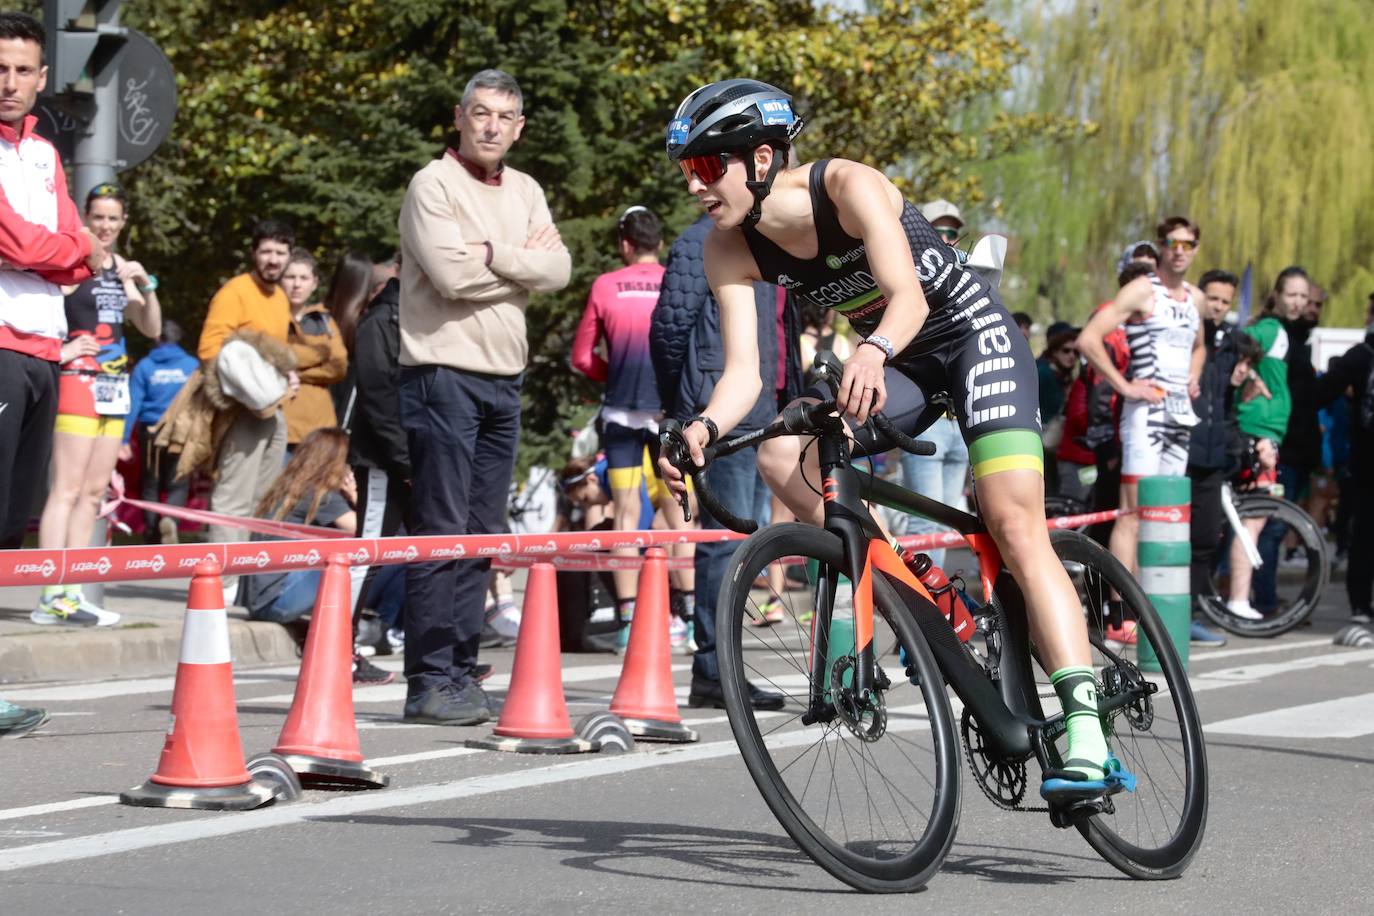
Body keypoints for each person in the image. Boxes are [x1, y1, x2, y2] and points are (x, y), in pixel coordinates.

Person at [661, 78, 1129, 799]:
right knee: (783, 452)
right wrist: (702, 426)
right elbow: (745, 376)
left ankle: (1089, 735)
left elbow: (907, 297)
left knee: (1012, 521)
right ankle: (922, 593)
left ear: (759, 158)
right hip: (896, 361)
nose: (695, 187)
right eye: (687, 171)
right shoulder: (730, 247)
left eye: (703, 167)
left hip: (972, 342)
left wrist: (872, 350)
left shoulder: (849, 185)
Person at [396, 68, 570, 725]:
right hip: (442, 372)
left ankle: (462, 670)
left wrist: (493, 252)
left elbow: (559, 269)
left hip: (504, 377)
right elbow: (448, 276)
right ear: (459, 117)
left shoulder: (525, 189)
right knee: (442, 529)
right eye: (480, 113)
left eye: (505, 116)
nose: (492, 126)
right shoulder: (431, 184)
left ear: (519, 128)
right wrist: (520, 267)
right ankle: (429, 678)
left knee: (483, 531)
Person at [650, 207, 799, 711]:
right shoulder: (700, 241)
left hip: (765, 407)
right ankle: (714, 670)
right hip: (719, 408)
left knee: (746, 539)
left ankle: (720, 669)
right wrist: (684, 404)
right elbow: (670, 327)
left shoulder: (775, 241)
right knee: (725, 543)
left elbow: (784, 331)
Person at [0, 10, 103, 735]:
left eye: (21, 70)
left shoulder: (45, 152)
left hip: (44, 351)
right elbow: (19, 237)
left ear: (42, 78)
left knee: (10, 529)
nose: (8, 82)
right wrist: (61, 252)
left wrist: (57, 252)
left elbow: (74, 240)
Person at [33, 182, 160, 625]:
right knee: (65, 490)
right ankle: (51, 593)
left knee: (92, 494)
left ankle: (74, 591)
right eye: (98, 216)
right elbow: (39, 311)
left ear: (123, 222)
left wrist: (146, 284)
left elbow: (152, 326)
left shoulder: (122, 267)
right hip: (76, 383)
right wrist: (61, 352)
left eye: (113, 218)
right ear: (86, 217)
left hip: (114, 388)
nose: (104, 225)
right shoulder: (70, 260)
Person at [571, 205, 695, 651]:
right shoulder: (674, 280)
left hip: (621, 414)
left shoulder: (605, 285)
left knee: (625, 511)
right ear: (658, 243)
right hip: (668, 413)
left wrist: (616, 374)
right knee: (678, 508)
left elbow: (582, 357)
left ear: (625, 244)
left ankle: (627, 623)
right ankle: (688, 616)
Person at [1078, 217, 1205, 608]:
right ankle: (1121, 609)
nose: (1180, 250)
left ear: (1195, 249)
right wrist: (1125, 385)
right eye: (1172, 243)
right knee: (1133, 511)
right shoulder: (1141, 289)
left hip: (1179, 416)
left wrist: (1192, 378)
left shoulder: (1195, 298)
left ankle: (1159, 603)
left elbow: (1199, 346)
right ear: (1163, 247)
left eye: (1187, 243)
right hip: (1144, 416)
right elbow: (1088, 339)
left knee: (1168, 512)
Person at [235, 427, 391, 684]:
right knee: (349, 563)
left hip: (260, 599)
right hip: (278, 601)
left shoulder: (289, 489)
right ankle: (358, 646)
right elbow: (365, 532)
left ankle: (367, 630)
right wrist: (356, 497)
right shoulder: (322, 495)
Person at [198, 219, 299, 558]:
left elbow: (276, 356)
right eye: (266, 251)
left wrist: (287, 377)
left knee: (262, 497)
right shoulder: (235, 291)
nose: (273, 259)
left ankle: (243, 580)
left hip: (274, 408)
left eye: (280, 252)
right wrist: (248, 388)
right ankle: (220, 583)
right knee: (233, 496)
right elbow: (210, 349)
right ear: (254, 254)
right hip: (241, 409)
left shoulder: (280, 297)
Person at [1185, 269, 1269, 647]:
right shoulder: (1186, 330)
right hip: (1181, 449)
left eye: (1224, 301)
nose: (1217, 306)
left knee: (1204, 538)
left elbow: (1252, 352)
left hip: (1213, 454)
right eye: (1212, 298)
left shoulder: (1232, 343)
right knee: (1169, 537)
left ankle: (1191, 614)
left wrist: (1250, 376)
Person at [1224, 268, 1298, 619]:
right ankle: (1238, 600)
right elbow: (1236, 343)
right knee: (1252, 518)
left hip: (1265, 429)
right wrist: (1249, 376)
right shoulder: (1270, 329)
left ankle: (1238, 597)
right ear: (1277, 295)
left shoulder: (1278, 331)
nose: (1298, 302)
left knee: (1254, 516)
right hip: (1258, 430)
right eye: (1292, 295)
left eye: (1303, 296)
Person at [1314, 293, 1374, 623]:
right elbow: (1320, 394)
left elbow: (1318, 394)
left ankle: (1362, 607)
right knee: (1363, 538)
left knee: (1364, 537)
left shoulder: (1359, 355)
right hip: (1365, 466)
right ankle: (1361, 606)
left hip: (1364, 464)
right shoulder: (1361, 356)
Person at [121, 318, 199, 544]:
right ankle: (170, 520)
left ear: (157, 338)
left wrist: (124, 438)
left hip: (151, 431)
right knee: (179, 482)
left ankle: (152, 535)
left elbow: (133, 402)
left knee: (151, 484)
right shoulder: (191, 365)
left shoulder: (145, 366)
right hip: (181, 433)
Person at [280, 248, 348, 449]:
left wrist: (294, 372)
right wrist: (318, 355)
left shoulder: (323, 319)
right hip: (282, 426)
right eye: (290, 277)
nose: (297, 284)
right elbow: (273, 358)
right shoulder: (270, 318)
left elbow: (338, 366)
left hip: (318, 428)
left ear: (314, 283)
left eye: (304, 277)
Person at [1036, 321, 1079, 498]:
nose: (1071, 356)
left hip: (1055, 444)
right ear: (1054, 351)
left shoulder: (1063, 375)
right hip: (1043, 441)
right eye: (1066, 351)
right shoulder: (1044, 373)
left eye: (1075, 352)